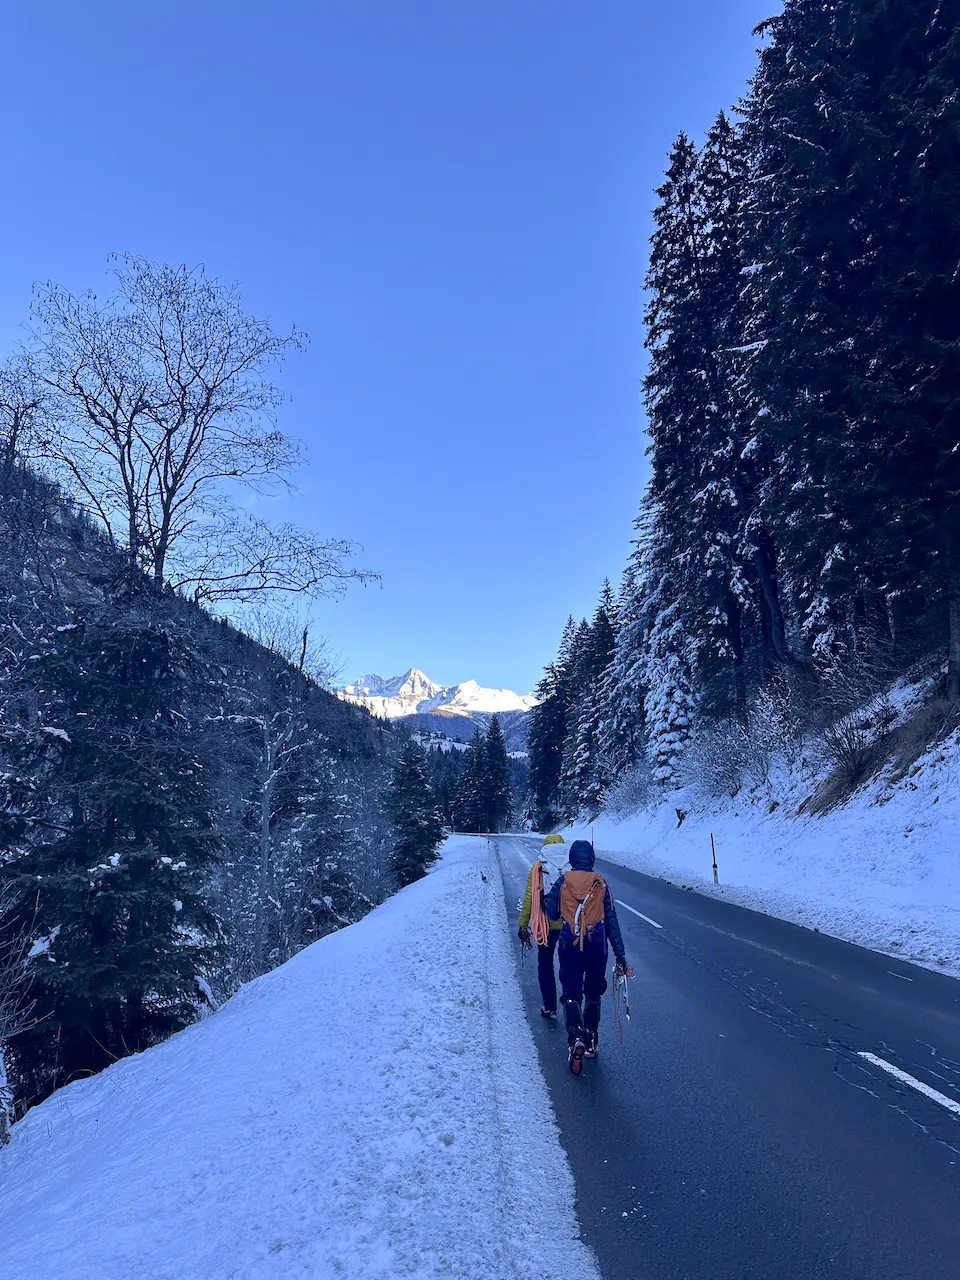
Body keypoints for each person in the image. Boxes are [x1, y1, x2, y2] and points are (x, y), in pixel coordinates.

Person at [544, 839, 633, 1075]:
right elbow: (612, 922)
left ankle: (576, 1038)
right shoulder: (600, 883)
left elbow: (551, 913)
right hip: (597, 945)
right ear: (591, 858)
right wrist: (620, 955)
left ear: (572, 859)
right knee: (593, 993)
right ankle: (592, 1041)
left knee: (571, 993)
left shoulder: (563, 881)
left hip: (568, 943)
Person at [517, 836, 565, 1017]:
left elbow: (529, 898)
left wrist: (523, 925)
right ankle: (572, 1005)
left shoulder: (538, 868)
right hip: (569, 926)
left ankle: (550, 1007)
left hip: (546, 926)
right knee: (569, 966)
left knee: (545, 964)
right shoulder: (573, 867)